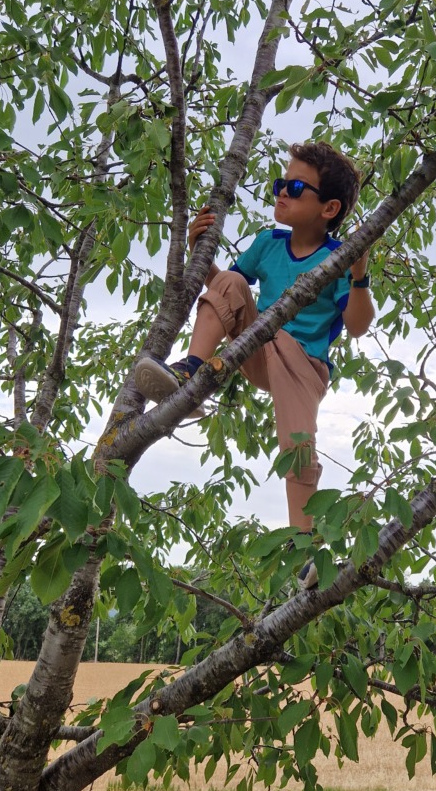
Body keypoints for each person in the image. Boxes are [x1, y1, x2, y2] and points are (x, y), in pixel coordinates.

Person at [135, 140, 375, 541]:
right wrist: (201, 254)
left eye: (296, 188)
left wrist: (358, 274)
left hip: (302, 367)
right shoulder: (268, 243)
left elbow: (358, 325)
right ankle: (191, 372)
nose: (282, 191)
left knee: (297, 447)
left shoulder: (337, 260)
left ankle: (303, 542)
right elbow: (225, 290)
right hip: (260, 345)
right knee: (231, 278)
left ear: (328, 209)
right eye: (281, 183)